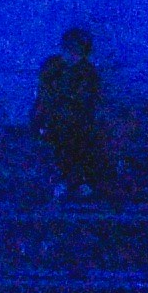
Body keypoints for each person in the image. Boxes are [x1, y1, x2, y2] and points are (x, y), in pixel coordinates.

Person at [32, 26, 115, 203]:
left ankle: (82, 181)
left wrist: (69, 103)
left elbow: (87, 100)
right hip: (52, 119)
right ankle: (63, 180)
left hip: (77, 121)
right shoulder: (52, 66)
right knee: (59, 141)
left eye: (76, 51)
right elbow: (43, 94)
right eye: (68, 49)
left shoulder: (88, 72)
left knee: (80, 142)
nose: (71, 55)